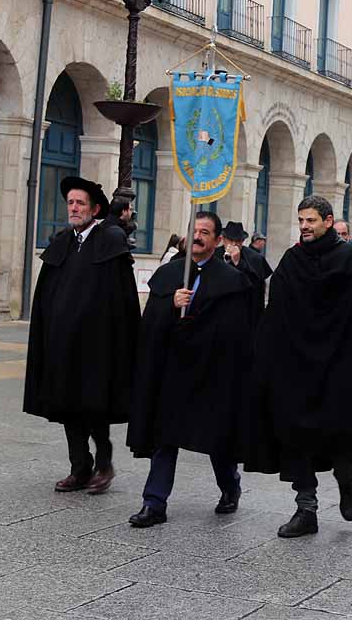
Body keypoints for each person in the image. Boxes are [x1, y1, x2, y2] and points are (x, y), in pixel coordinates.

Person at [244, 195, 352, 539]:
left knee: (340, 434)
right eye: (301, 221)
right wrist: (265, 354)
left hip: (341, 365)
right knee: (295, 437)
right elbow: (277, 309)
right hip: (297, 365)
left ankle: (346, 478)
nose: (305, 227)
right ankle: (305, 508)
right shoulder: (292, 261)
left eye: (310, 220)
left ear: (328, 220)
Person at [127, 211, 254, 528]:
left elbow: (237, 330)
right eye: (193, 230)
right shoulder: (169, 274)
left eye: (205, 232)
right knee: (164, 437)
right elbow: (150, 323)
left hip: (210, 372)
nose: (197, 236)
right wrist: (170, 304)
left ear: (217, 240)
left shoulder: (231, 280)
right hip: (172, 371)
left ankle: (230, 487)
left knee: (216, 441)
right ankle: (154, 503)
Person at [23, 176, 140, 495]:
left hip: (97, 345)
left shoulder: (110, 240)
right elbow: (47, 294)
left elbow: (122, 299)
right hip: (62, 344)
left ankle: (104, 464)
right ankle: (79, 468)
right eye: (71, 203)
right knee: (65, 405)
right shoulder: (62, 241)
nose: (74, 208)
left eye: (80, 203)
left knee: (94, 405)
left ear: (95, 209)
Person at [222, 221, 272, 319]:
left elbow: (256, 289)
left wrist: (238, 263)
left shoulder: (254, 258)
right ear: (223, 239)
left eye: (237, 241)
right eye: (230, 240)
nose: (233, 244)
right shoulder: (214, 254)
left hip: (244, 313)